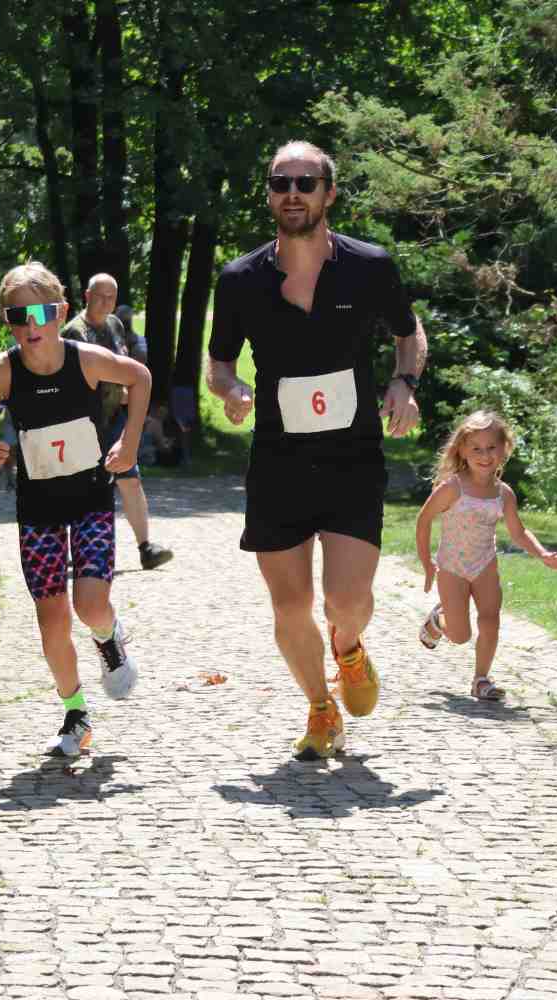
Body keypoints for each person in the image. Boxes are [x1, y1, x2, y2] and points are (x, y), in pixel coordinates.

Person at [207, 139, 427, 760]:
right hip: (278, 460)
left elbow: (409, 334)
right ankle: (320, 707)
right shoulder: (240, 279)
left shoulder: (370, 266)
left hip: (353, 457)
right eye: (281, 183)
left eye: (306, 183)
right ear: (269, 195)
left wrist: (404, 383)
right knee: (290, 605)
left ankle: (348, 647)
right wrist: (231, 390)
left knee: (345, 601)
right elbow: (218, 364)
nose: (293, 193)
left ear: (329, 193)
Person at [0, 262, 152, 756]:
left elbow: (140, 377)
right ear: (7, 321)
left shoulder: (85, 359)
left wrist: (130, 442)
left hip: (90, 499)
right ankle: (76, 714)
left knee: (90, 605)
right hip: (38, 508)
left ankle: (108, 637)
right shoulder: (2, 370)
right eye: (17, 316)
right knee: (51, 619)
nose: (31, 325)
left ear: (61, 312)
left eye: (42, 313)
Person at [414, 411, 557, 698]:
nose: (485, 455)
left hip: (485, 565)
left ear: (504, 449)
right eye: (476, 448)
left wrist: (542, 554)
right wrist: (427, 563)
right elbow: (424, 520)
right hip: (452, 567)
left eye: (491, 447)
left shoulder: (504, 493)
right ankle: (438, 621)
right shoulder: (452, 487)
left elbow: (519, 533)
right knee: (460, 635)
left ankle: (481, 679)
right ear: (462, 450)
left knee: (490, 620)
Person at [62, 273, 174, 571]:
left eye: (110, 297)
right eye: (99, 296)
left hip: (114, 418)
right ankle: (79, 547)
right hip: (84, 422)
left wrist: (126, 393)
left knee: (130, 478)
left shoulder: (115, 325)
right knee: (83, 485)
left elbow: (122, 364)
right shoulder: (74, 332)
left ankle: (146, 547)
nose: (105, 302)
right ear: (87, 296)